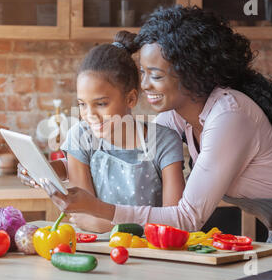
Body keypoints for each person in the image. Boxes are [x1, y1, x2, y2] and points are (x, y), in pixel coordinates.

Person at [23, 6, 272, 247]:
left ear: (191, 71)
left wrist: (99, 209)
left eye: (155, 74)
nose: (144, 85)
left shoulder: (230, 116)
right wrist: (52, 171)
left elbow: (186, 218)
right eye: (142, 72)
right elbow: (121, 142)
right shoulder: (175, 116)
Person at [21, 32, 186, 233]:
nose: (90, 115)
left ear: (131, 99)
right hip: (96, 251)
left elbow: (174, 225)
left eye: (101, 104)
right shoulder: (80, 137)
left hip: (151, 253)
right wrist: (44, 171)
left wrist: (97, 221)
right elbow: (82, 216)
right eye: (82, 104)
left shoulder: (164, 142)